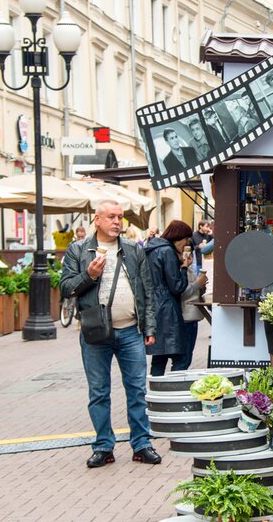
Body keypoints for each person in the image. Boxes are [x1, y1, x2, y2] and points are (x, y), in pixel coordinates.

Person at [61, 200, 160, 468]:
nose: (117, 222)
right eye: (111, 217)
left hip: (130, 331)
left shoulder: (133, 249)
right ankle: (103, 446)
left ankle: (142, 444)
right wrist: (89, 275)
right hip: (95, 334)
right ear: (97, 220)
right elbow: (66, 288)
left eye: (120, 217)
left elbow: (147, 290)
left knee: (137, 390)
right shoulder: (78, 250)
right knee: (99, 392)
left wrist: (150, 327)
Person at [145, 220, 193, 375]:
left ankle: (156, 387)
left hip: (153, 304)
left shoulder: (152, 248)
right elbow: (177, 286)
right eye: (186, 239)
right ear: (179, 237)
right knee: (181, 357)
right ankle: (173, 387)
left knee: (159, 356)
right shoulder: (167, 251)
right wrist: (184, 267)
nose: (187, 243)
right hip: (167, 308)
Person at [180, 261, 209, 372]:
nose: (190, 258)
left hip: (192, 317)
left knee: (187, 358)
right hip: (185, 317)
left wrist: (201, 287)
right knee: (184, 359)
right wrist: (197, 283)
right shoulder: (179, 270)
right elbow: (181, 292)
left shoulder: (189, 270)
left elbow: (193, 292)